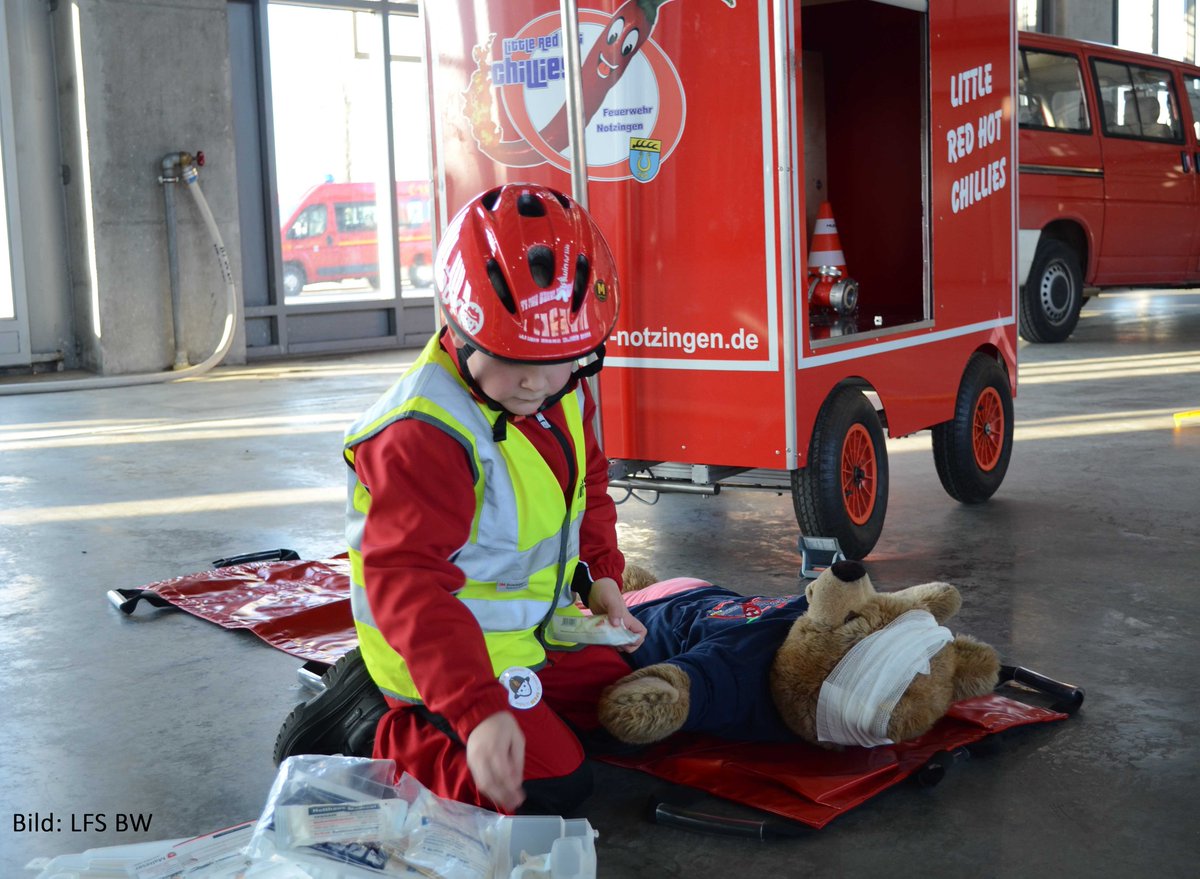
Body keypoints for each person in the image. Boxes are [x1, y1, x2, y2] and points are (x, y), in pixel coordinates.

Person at [274, 183, 646, 816]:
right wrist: (477, 711)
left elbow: (590, 489)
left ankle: (477, 710)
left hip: (529, 638)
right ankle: (375, 720)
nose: (535, 381)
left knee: (626, 704)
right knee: (551, 790)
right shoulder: (424, 432)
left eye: (557, 360)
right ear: (461, 330)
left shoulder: (564, 388)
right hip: (440, 658)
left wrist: (603, 579)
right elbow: (408, 584)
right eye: (512, 359)